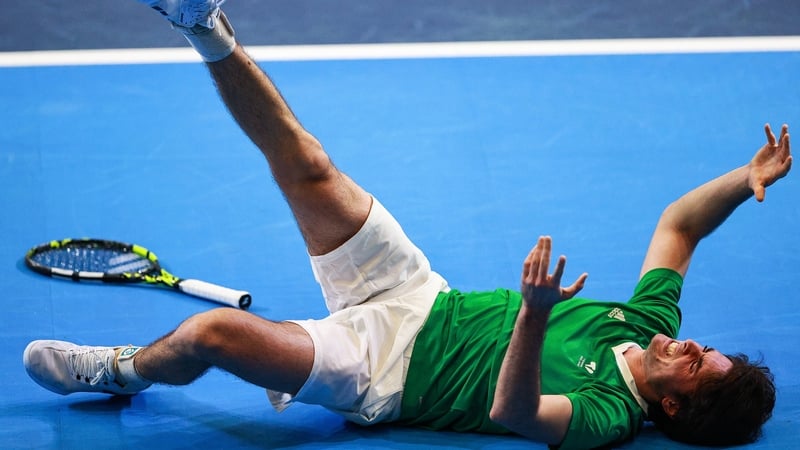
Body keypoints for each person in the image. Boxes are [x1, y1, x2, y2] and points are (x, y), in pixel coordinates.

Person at [23, 1, 789, 448]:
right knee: (311, 166)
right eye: (705, 348)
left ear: (674, 408)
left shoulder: (608, 415)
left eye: (696, 365)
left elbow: (513, 413)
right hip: (419, 295)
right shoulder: (649, 319)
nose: (690, 344)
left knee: (210, 336)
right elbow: (681, 227)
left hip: (381, 371)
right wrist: (741, 178)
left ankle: (120, 371)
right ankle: (202, 21)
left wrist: (532, 317)